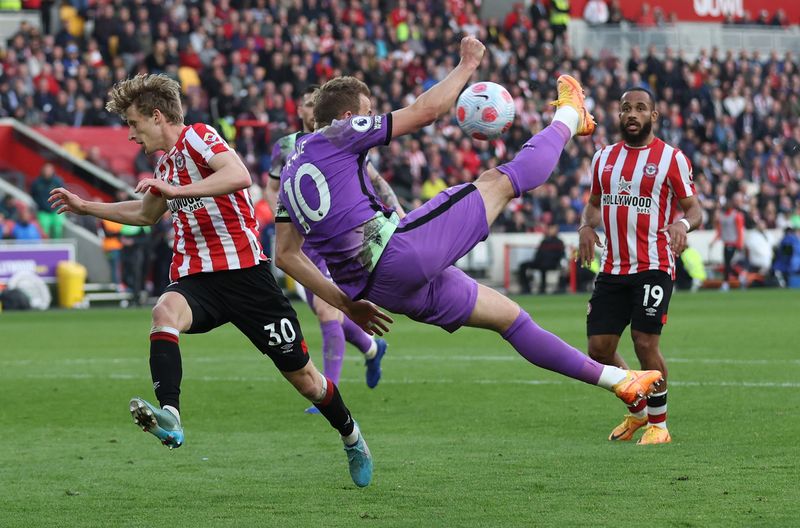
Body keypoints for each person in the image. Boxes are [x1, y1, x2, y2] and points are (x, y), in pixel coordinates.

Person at [274, 37, 664, 439]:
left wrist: (345, 303)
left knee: (510, 318)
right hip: (398, 254)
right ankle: (569, 116)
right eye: (369, 114)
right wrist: (467, 64)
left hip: (379, 292)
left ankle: (618, 381)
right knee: (499, 181)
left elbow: (285, 255)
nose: (373, 120)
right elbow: (426, 112)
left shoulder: (287, 174)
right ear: (349, 116)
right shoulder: (339, 134)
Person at [49, 73, 388, 488]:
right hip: (200, 280)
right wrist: (86, 207)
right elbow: (145, 214)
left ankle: (352, 436)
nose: (132, 135)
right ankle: (170, 415)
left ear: (158, 116)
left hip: (248, 279)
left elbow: (239, 175)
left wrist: (175, 189)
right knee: (164, 311)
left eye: (135, 124)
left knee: (307, 382)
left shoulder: (198, 137)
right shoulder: (166, 164)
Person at [577, 87, 703, 445]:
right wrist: (586, 226)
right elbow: (594, 204)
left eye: (641, 108)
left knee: (645, 342)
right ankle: (637, 413)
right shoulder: (602, 158)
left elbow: (694, 209)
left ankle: (659, 425)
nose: (632, 114)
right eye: (626, 109)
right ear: (619, 115)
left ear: (654, 116)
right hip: (613, 268)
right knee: (599, 348)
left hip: (654, 265)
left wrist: (683, 224)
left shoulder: (671, 158)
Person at [266, 84, 394, 411]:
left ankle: (329, 392)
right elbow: (272, 188)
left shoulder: (340, 140)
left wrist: (399, 210)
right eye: (307, 103)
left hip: (331, 240)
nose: (311, 109)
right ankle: (371, 348)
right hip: (301, 245)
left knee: (327, 310)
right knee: (332, 313)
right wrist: (287, 219)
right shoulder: (285, 147)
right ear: (301, 110)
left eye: (315, 103)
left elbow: (375, 179)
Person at [517, 223, 566, 294]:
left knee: (544, 266)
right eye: (551, 228)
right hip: (540, 262)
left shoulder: (559, 242)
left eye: (554, 228)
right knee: (523, 265)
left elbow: (562, 255)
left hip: (552, 264)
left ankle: (543, 288)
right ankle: (526, 288)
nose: (552, 230)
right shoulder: (544, 241)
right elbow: (538, 254)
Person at [714, 194, 745, 290]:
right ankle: (740, 276)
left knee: (728, 264)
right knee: (728, 264)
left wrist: (740, 243)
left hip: (733, 242)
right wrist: (714, 240)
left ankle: (726, 283)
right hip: (726, 242)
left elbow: (739, 230)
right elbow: (720, 230)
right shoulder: (722, 216)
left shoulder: (736, 215)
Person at [30, 163, 65, 239]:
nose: (47, 172)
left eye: (49, 170)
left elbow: (64, 193)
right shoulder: (36, 183)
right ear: (42, 171)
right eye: (46, 170)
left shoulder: (58, 181)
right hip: (43, 211)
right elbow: (33, 194)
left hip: (56, 210)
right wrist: (40, 204)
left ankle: (57, 247)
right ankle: (46, 248)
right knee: (44, 232)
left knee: (58, 229)